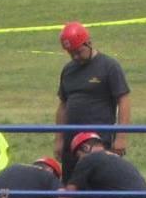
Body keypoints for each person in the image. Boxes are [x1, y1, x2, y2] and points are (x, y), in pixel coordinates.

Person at [54, 21, 131, 181]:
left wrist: (121, 137)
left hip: (99, 142)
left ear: (88, 43)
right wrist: (59, 139)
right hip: (71, 142)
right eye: (71, 53)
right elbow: (63, 105)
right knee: (70, 186)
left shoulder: (109, 66)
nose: (75, 57)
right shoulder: (68, 70)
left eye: (78, 52)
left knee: (99, 183)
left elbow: (123, 100)